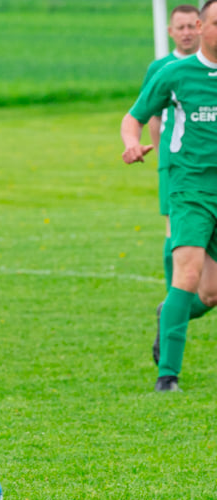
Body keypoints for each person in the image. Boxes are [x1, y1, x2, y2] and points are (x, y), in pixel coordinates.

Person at [121, 0, 217, 392]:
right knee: (188, 273)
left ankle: (170, 314)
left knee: (210, 294)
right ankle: (168, 377)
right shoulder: (174, 73)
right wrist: (131, 143)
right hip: (189, 186)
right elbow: (134, 117)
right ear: (201, 25)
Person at [140, 4, 199, 293]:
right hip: (174, 162)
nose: (187, 33)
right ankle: (172, 294)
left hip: (205, 159)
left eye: (192, 26)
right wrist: (160, 155)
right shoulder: (160, 67)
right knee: (172, 227)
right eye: (181, 27)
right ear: (170, 31)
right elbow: (152, 116)